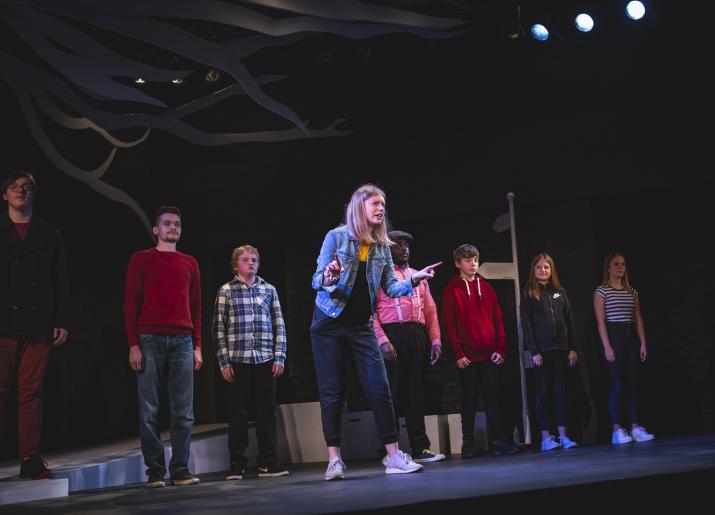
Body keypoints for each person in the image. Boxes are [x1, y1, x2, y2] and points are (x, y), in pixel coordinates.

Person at [310, 184, 441, 480]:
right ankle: (334, 460)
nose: (381, 208)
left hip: (361, 325)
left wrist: (414, 280)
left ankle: (393, 455)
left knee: (380, 388)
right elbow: (317, 279)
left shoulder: (382, 246)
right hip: (328, 323)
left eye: (383, 204)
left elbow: (390, 288)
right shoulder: (336, 237)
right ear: (360, 207)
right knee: (332, 391)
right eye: (375, 204)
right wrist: (330, 276)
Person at [124, 206, 203, 488]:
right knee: (149, 410)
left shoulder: (189, 262)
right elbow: (130, 304)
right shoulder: (141, 259)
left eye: (177, 224)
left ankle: (180, 469)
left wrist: (197, 346)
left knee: (184, 410)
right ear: (156, 229)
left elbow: (195, 307)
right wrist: (134, 345)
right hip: (149, 339)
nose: (173, 228)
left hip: (182, 339)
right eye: (167, 223)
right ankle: (155, 470)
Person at [0, 171, 70, 479]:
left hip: (38, 321)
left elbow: (61, 280)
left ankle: (30, 459)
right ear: (5, 195)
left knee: (32, 393)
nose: (20, 192)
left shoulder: (49, 234)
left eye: (26, 188)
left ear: (33, 194)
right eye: (14, 188)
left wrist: (62, 320)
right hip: (3, 321)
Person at [213, 245, 288, 480]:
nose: (251, 263)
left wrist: (280, 356)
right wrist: (224, 362)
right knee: (238, 414)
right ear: (236, 265)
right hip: (238, 360)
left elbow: (279, 325)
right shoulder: (226, 291)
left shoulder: (269, 290)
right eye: (245, 260)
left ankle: (268, 462)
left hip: (265, 358)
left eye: (254, 259)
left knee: (267, 413)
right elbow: (218, 329)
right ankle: (237, 464)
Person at [373, 229, 445, 464]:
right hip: (392, 334)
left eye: (406, 245)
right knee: (390, 394)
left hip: (415, 334)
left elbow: (430, 310)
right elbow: (370, 313)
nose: (404, 248)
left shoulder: (418, 275)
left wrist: (435, 340)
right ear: (387, 249)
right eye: (398, 245)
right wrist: (382, 340)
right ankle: (387, 452)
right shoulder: (380, 276)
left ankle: (420, 448)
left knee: (416, 392)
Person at [441, 243, 518, 458]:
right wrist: (458, 353)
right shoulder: (452, 290)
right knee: (469, 400)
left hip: (489, 355)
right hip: (468, 358)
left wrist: (500, 349)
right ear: (458, 263)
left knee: (493, 399)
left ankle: (499, 441)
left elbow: (498, 320)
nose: (472, 264)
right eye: (467, 260)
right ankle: (468, 444)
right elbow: (450, 324)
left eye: (475, 260)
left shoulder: (487, 288)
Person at [594, 252, 655, 445]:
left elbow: (638, 318)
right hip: (614, 335)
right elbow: (600, 322)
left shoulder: (632, 291)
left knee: (633, 383)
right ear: (609, 268)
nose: (620, 267)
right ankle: (617, 430)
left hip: (631, 338)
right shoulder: (601, 292)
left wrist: (643, 342)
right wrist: (607, 346)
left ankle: (635, 427)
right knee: (617, 384)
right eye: (616, 264)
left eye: (623, 264)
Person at [520, 253, 579, 451]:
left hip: (561, 350)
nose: (543, 270)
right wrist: (534, 351)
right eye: (539, 267)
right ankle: (546, 437)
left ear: (551, 270)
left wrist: (572, 348)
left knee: (560, 392)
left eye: (546, 267)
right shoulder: (529, 292)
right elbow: (527, 325)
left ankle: (563, 436)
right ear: (533, 270)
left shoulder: (560, 292)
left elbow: (569, 322)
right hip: (542, 353)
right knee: (543, 393)